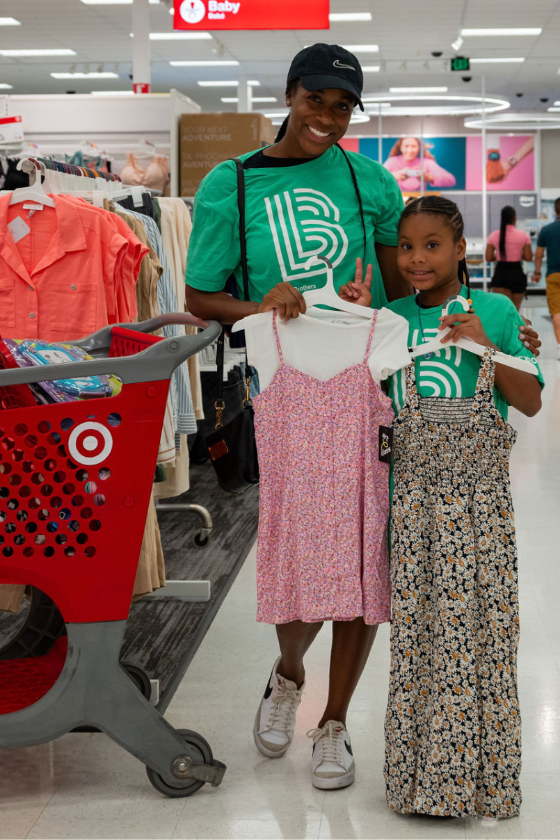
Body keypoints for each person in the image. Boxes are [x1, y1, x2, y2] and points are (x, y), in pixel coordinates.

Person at [185, 42, 409, 791]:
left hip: (369, 389)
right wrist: (262, 304)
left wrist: (489, 327)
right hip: (287, 394)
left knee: (366, 557)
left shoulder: (371, 181)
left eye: (343, 108)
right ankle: (288, 674)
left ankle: (334, 721)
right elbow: (200, 296)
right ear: (289, 95)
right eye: (317, 100)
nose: (328, 119)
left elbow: (403, 294)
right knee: (302, 551)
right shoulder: (234, 183)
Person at [343, 195, 543, 818]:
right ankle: (419, 781)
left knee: (484, 638)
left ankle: (481, 782)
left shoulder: (496, 312)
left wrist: (486, 345)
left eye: (432, 245)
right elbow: (360, 398)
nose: (416, 259)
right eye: (406, 246)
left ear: (461, 249)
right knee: (418, 641)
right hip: (410, 509)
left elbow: (530, 400)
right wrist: (353, 322)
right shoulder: (391, 319)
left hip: (483, 513)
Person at [486, 205, 533, 310]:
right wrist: (518, 253)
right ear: (514, 218)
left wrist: (498, 255)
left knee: (502, 311)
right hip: (517, 274)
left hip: (500, 274)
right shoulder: (523, 235)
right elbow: (529, 257)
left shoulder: (493, 235)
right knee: (515, 311)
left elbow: (488, 257)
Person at [534, 197, 560, 359]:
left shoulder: (547, 230)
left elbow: (538, 254)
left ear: (555, 210)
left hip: (553, 274)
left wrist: (537, 272)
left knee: (557, 313)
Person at [383, 137, 456, 192]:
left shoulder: (426, 162)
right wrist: (394, 176)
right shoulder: (392, 161)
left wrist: (429, 177)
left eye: (413, 146)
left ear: (419, 148)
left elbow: (451, 180)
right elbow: (378, 179)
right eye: (406, 146)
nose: (410, 150)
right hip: (397, 201)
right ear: (401, 148)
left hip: (419, 201)